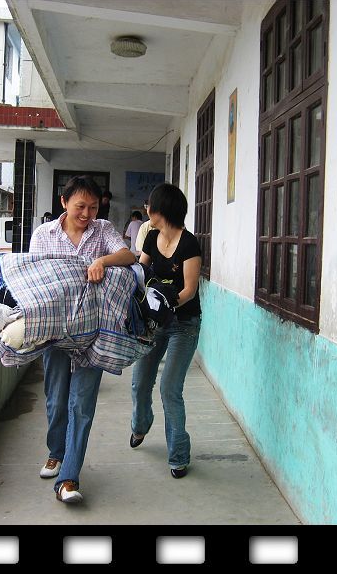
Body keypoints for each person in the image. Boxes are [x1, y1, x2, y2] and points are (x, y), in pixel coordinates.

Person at [29, 175, 135, 504]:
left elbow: (128, 256)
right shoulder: (43, 235)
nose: (87, 213)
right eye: (80, 206)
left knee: (82, 404)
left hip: (94, 333)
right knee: (56, 399)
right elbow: (34, 278)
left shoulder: (103, 230)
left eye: (93, 207)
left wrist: (101, 260)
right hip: (55, 331)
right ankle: (56, 452)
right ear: (64, 202)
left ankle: (68, 478)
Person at [129, 183, 202, 479]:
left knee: (169, 389)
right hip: (154, 324)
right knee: (139, 383)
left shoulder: (189, 243)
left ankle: (179, 456)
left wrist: (165, 305)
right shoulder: (151, 237)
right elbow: (141, 273)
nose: (147, 209)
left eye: (151, 205)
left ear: (162, 210)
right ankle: (140, 426)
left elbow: (189, 289)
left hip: (183, 325)